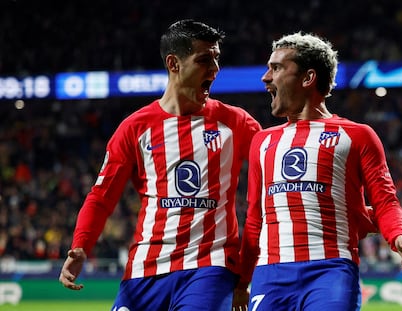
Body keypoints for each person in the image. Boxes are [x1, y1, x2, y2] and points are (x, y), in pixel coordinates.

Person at [58, 19, 261, 311]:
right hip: (144, 269)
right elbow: (102, 196)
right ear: (173, 63)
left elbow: (273, 168)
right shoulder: (134, 128)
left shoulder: (236, 123)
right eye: (205, 60)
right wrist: (81, 246)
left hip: (210, 265)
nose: (215, 69)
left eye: (217, 59)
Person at [232, 32, 402, 311]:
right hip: (270, 275)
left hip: (330, 269)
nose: (265, 77)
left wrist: (399, 236)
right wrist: (242, 280)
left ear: (307, 78)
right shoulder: (263, 141)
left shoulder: (357, 136)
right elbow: (256, 218)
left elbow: (385, 200)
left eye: (277, 68)